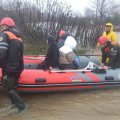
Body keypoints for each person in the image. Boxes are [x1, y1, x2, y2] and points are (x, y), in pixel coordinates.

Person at [0, 17, 26, 112]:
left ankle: (22, 107)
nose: (1, 28)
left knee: (7, 89)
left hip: (9, 68)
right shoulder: (18, 37)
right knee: (13, 88)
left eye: (2, 26)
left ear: (5, 25)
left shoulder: (4, 35)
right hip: (18, 68)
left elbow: (2, 53)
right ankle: (14, 106)